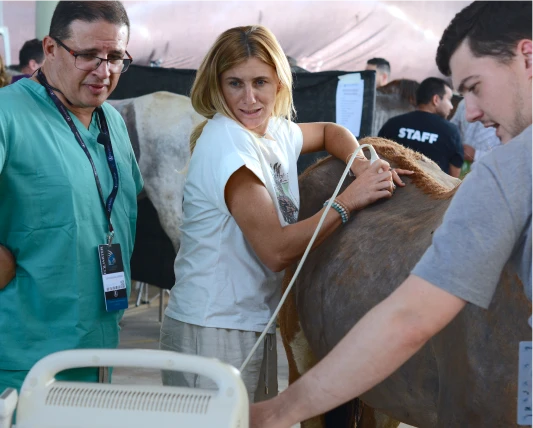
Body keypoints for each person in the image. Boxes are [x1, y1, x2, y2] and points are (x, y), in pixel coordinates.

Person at [250, 0, 533, 425]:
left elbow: (411, 317)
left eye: (474, 86)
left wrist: (278, 412)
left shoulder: (508, 173)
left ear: (526, 57)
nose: (470, 112)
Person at [159, 25, 412, 404]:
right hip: (212, 328)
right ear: (217, 86)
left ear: (279, 82)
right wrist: (349, 201)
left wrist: (359, 164)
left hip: (245, 322)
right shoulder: (229, 146)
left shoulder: (274, 131)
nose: (249, 98)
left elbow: (330, 131)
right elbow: (276, 251)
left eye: (260, 81)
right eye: (234, 84)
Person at [0, 0, 143, 398]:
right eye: (88, 56)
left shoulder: (110, 120)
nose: (105, 71)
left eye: (115, 57)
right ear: (49, 49)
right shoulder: (6, 115)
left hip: (99, 348)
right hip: (20, 364)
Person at [378, 77, 464, 177]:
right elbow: (454, 178)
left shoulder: (392, 124)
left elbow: (377, 159)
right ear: (435, 99)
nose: (451, 106)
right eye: (449, 99)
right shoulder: (451, 131)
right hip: (434, 191)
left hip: (393, 189)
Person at [450, 98, 503, 164]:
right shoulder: (464, 103)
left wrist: (476, 154)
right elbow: (451, 129)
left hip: (488, 170)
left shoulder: (504, 109)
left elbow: (507, 157)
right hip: (459, 165)